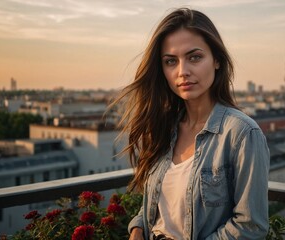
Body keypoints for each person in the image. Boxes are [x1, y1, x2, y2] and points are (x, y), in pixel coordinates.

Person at [112, 7, 270, 240]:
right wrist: (138, 228)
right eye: (170, 61)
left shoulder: (242, 133)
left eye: (194, 57)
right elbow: (161, 203)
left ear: (216, 60)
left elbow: (250, 226)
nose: (182, 71)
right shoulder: (163, 127)